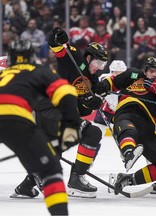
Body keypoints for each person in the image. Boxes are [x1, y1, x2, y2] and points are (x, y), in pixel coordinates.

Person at [12, 27, 107, 199]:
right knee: (92, 133)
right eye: (98, 63)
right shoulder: (75, 58)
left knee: (55, 151)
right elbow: (56, 46)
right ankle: (76, 179)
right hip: (49, 107)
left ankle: (26, 187)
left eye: (103, 65)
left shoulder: (92, 81)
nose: (99, 68)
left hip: (56, 112)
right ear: (88, 57)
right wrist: (57, 37)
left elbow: (83, 109)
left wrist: (91, 103)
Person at [0, 39, 81, 215]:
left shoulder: (3, 74)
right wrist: (72, 125)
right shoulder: (39, 70)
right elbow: (66, 92)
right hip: (15, 118)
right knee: (51, 170)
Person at [97, 57, 156, 195]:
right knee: (129, 129)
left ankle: (126, 179)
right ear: (146, 71)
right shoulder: (134, 75)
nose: (154, 74)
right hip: (126, 114)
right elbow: (114, 81)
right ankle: (129, 153)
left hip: (147, 129)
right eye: (151, 71)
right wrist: (103, 87)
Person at [93, 60, 127, 136]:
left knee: (125, 130)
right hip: (106, 110)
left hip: (120, 111)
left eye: (120, 72)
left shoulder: (127, 81)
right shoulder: (105, 77)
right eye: (116, 72)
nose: (118, 74)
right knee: (98, 131)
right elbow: (98, 91)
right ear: (111, 71)